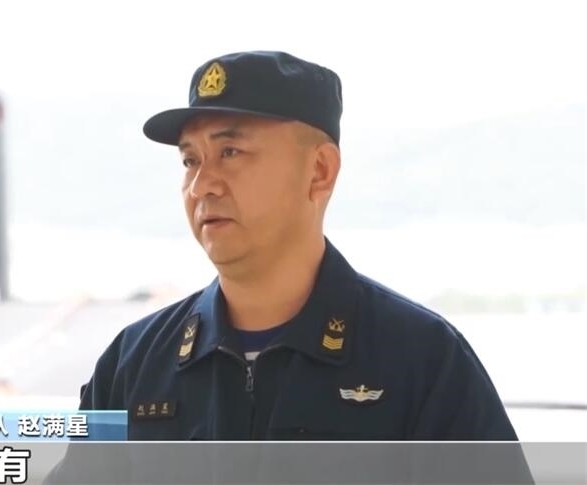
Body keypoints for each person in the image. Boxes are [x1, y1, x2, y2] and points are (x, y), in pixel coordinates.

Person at [77, 50, 519, 441]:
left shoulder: (423, 361)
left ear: (320, 171)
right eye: (190, 160)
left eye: (230, 152)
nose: (201, 185)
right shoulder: (132, 365)